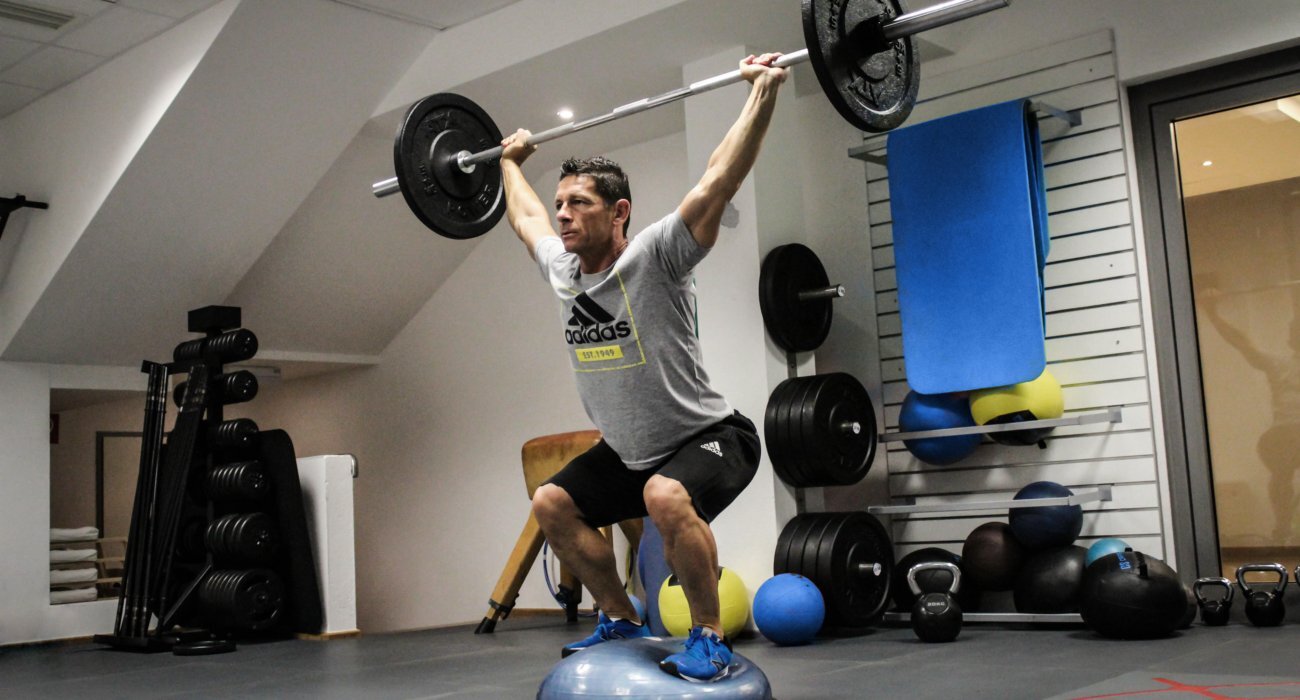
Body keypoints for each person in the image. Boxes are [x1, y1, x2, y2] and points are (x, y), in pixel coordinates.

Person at [497, 52, 786, 681]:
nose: (563, 214)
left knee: (664, 494)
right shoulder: (564, 272)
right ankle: (621, 617)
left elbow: (719, 179)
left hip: (711, 436)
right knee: (552, 502)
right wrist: (509, 163)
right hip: (631, 453)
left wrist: (761, 93)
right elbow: (525, 218)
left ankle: (709, 637)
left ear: (619, 212)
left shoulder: (657, 256)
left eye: (579, 203)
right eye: (561, 203)